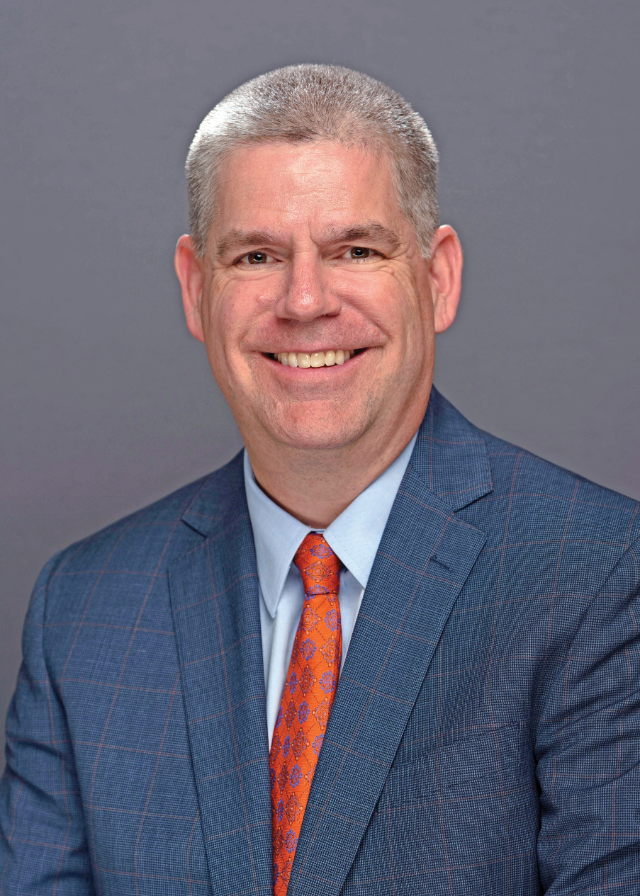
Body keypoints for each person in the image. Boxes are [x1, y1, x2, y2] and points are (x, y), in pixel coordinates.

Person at [1, 64, 639, 896]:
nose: (304, 301)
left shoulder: (598, 576)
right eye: (258, 254)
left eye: (356, 250)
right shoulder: (83, 610)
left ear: (436, 278)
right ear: (198, 290)